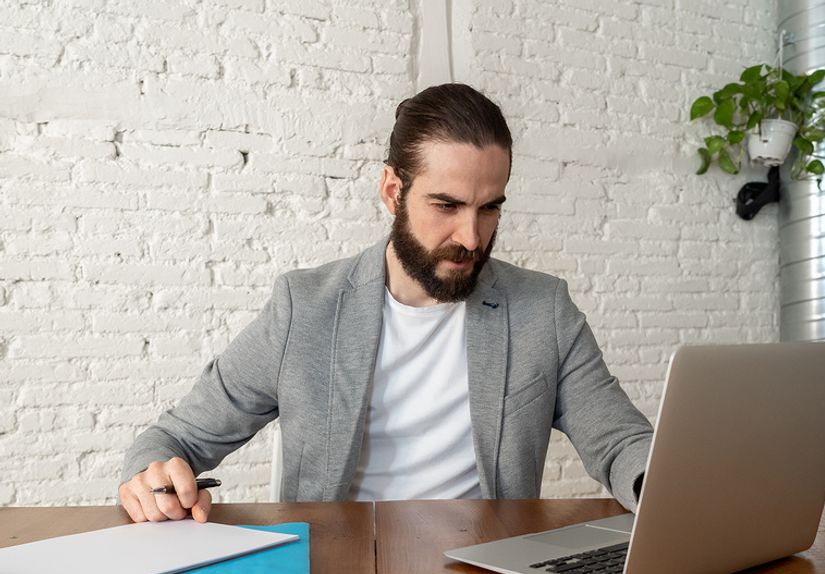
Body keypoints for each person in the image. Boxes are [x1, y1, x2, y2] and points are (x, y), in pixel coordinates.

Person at [119, 83, 653, 523]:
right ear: (393, 191)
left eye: (490, 208)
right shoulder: (303, 309)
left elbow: (622, 442)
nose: (471, 236)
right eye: (446, 205)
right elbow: (174, 438)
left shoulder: (543, 310)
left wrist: (665, 487)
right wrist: (154, 479)